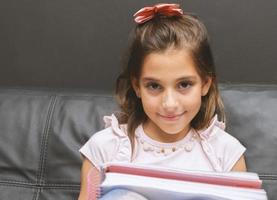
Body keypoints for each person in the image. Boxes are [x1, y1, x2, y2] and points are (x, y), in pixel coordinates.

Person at [78, 3, 247, 200]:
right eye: (154, 86)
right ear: (137, 86)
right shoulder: (105, 147)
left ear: (205, 84)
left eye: (184, 84)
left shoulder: (225, 152)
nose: (169, 104)